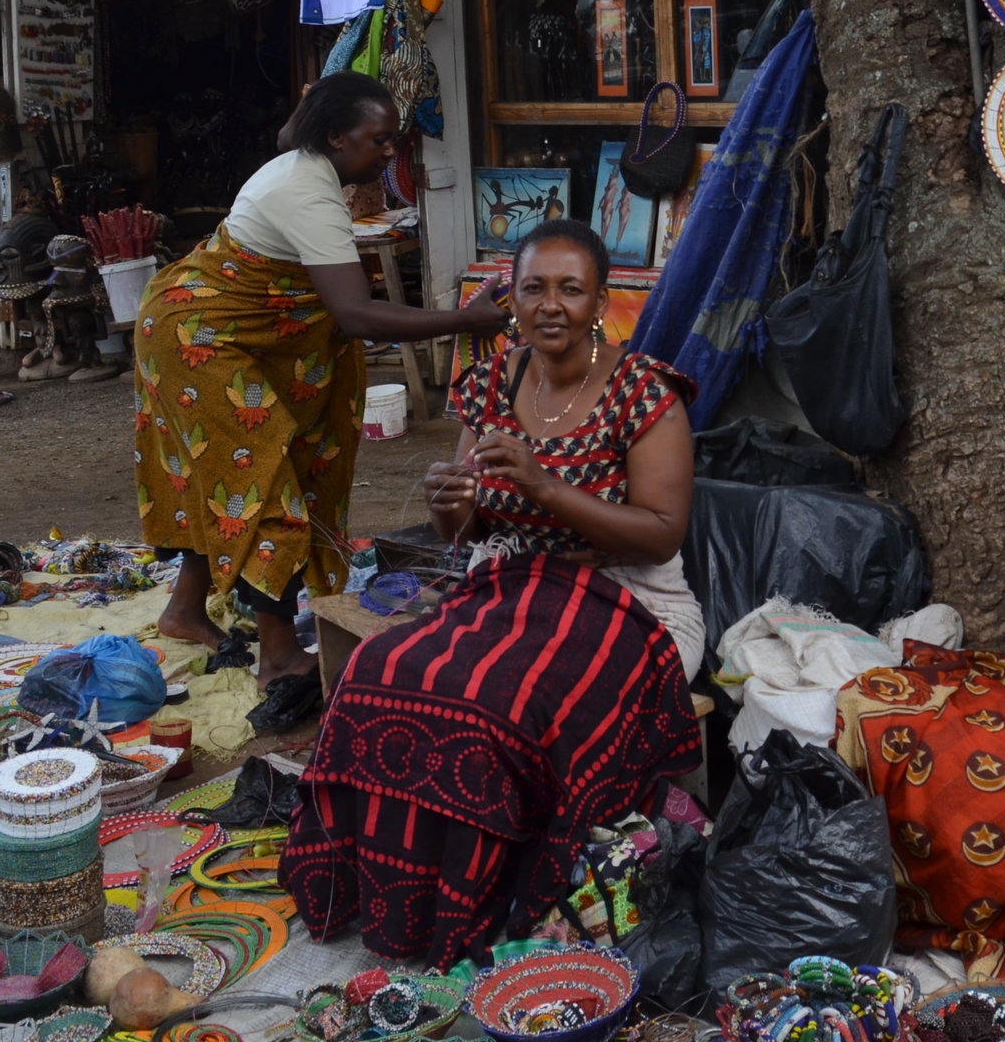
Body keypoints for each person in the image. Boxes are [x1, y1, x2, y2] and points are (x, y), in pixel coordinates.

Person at [279, 218, 702, 965]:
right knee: (377, 675)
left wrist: (543, 483)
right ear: (509, 298)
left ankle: (478, 905)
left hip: (629, 599)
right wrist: (452, 502)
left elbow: (661, 532)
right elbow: (465, 529)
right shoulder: (493, 381)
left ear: (600, 301)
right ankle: (385, 892)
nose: (550, 305)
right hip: (510, 586)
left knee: (499, 705)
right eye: (532, 287)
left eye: (570, 289)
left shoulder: (646, 393)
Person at [136, 72, 508, 722]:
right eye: (378, 141)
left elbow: (294, 124)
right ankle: (279, 655)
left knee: (232, 473)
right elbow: (356, 315)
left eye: (394, 140)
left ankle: (185, 610)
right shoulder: (308, 195)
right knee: (262, 481)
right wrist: (466, 321)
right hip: (195, 338)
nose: (389, 154)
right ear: (334, 138)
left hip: (231, 328)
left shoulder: (303, 152)